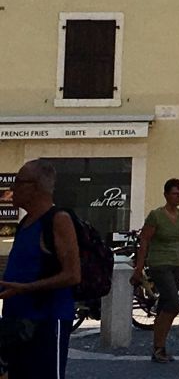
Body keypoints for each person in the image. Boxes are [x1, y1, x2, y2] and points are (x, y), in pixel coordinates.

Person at [0, 160, 80, 379]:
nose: (12, 189)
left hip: (47, 321)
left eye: (17, 182)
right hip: (17, 323)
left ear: (34, 187)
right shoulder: (25, 222)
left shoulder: (58, 220)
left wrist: (25, 288)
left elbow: (73, 274)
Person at [133, 178, 179, 363]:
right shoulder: (156, 216)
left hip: (176, 263)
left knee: (165, 306)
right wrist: (139, 266)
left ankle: (159, 347)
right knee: (172, 302)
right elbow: (144, 240)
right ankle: (158, 346)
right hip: (159, 263)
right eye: (175, 193)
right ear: (166, 194)